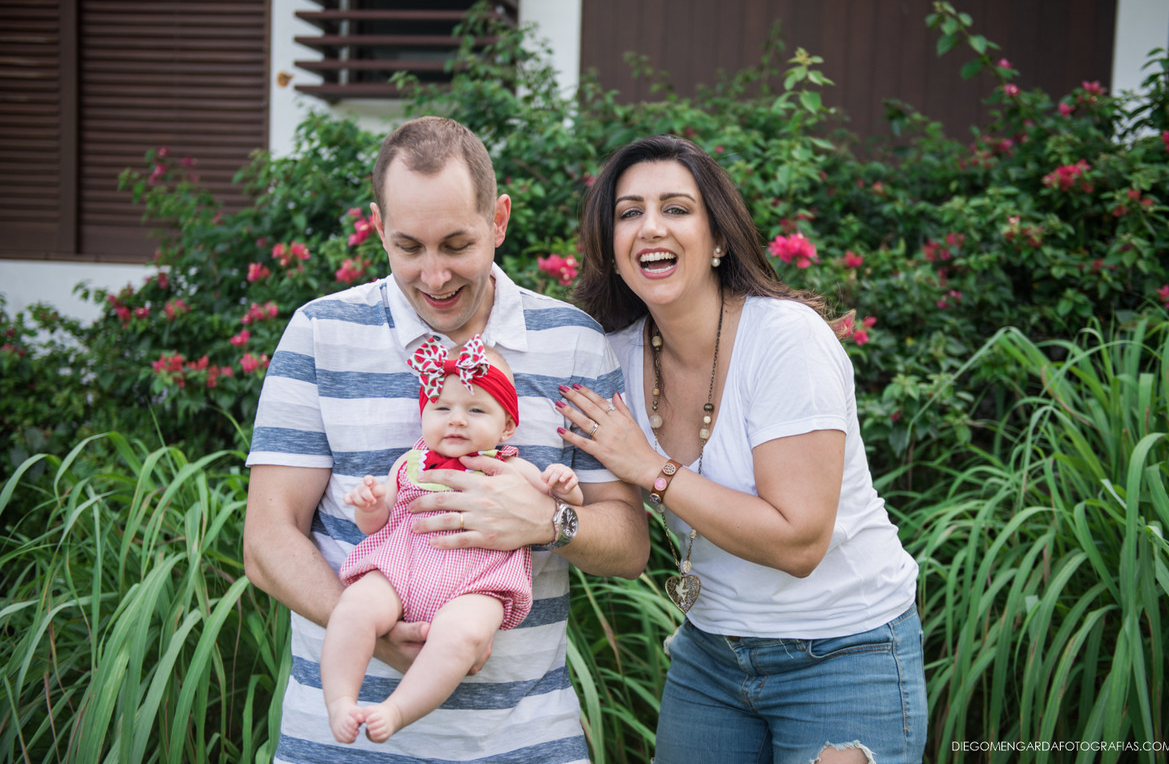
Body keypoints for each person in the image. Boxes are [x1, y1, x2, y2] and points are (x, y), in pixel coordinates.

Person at [243, 116, 649, 763]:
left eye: (457, 244)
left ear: (499, 221)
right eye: (409, 247)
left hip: (524, 744)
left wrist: (550, 521)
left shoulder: (573, 343)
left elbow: (629, 544)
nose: (434, 277)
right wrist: (379, 634)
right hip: (338, 748)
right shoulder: (320, 333)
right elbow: (267, 541)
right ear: (378, 228)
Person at [555, 134, 927, 764]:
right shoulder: (610, 357)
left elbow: (799, 543)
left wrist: (652, 469)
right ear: (611, 249)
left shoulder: (785, 340)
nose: (651, 227)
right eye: (629, 212)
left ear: (719, 240)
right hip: (711, 655)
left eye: (676, 209)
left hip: (844, 648)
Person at [322, 336, 585, 743]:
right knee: (354, 607)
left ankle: (397, 709)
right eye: (442, 408)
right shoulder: (410, 464)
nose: (457, 420)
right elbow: (376, 524)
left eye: (476, 410)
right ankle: (341, 699)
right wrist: (369, 505)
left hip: (478, 585)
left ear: (507, 426)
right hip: (400, 570)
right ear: (424, 415)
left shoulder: (514, 469)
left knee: (464, 636)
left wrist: (565, 486)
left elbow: (563, 507)